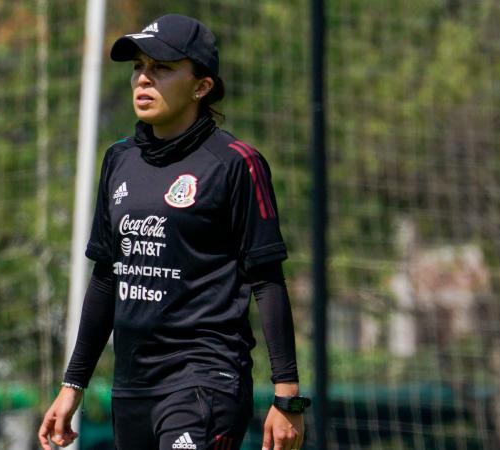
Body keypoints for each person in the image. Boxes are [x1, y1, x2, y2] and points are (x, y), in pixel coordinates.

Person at [38, 14, 309, 450]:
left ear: (202, 86)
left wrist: (287, 396)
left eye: (161, 68)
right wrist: (73, 384)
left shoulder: (237, 163)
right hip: (132, 387)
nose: (143, 79)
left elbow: (267, 279)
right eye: (138, 67)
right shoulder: (119, 160)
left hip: (205, 380)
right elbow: (108, 276)